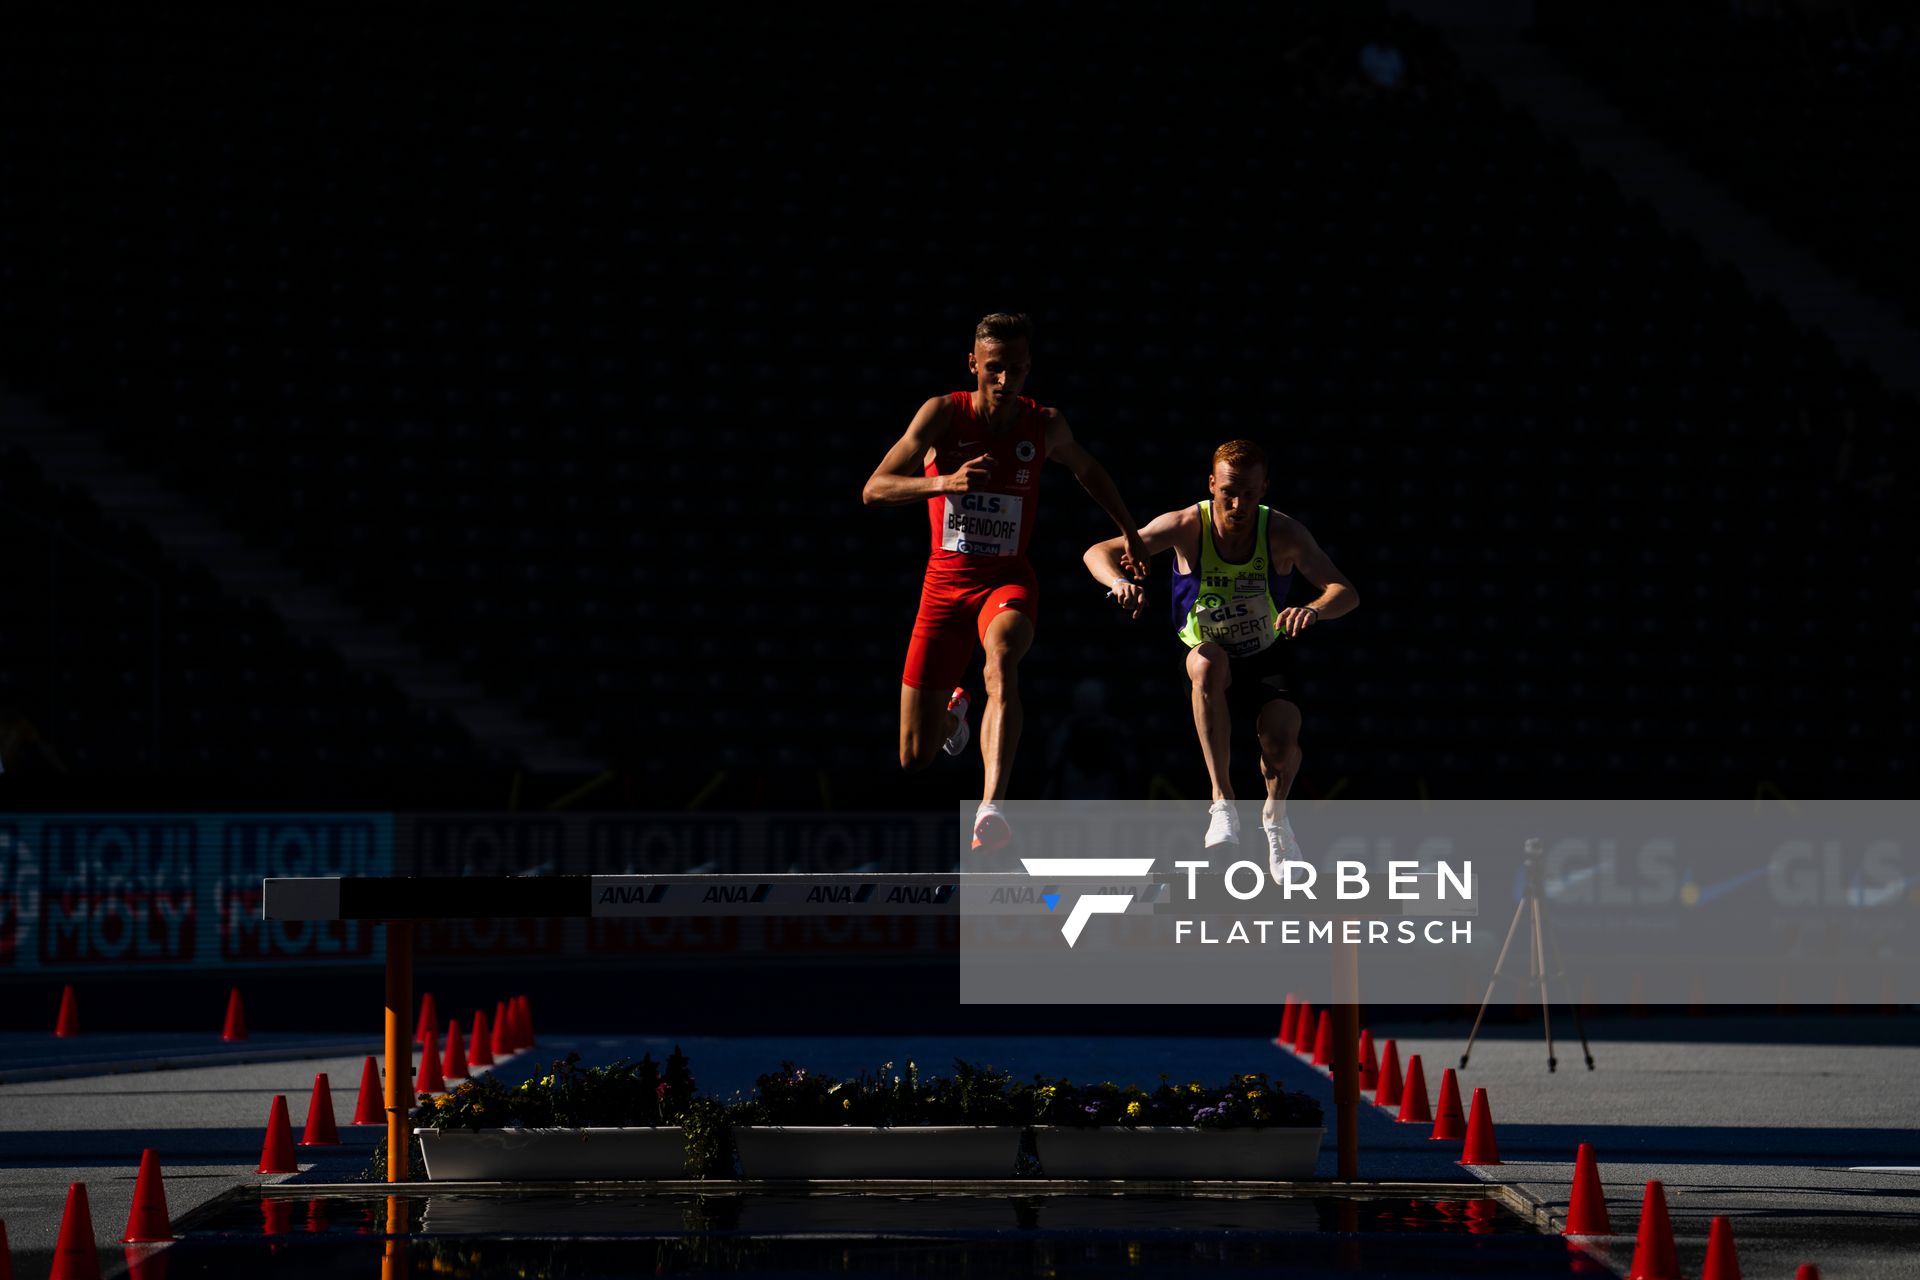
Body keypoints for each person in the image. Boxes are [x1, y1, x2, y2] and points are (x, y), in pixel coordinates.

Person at [863, 312, 1146, 849]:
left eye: (1016, 369)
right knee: (914, 756)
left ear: (1028, 368)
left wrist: (1128, 530)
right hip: (942, 591)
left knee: (1002, 658)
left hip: (1006, 581)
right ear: (973, 363)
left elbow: (1088, 469)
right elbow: (874, 489)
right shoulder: (943, 414)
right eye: (994, 368)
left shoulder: (1043, 425)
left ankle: (991, 807)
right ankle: (957, 715)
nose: (1004, 379)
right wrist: (945, 482)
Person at [1083, 439, 1358, 875]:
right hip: (1204, 652)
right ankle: (1222, 802)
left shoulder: (1283, 532)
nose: (1238, 503)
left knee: (1282, 749)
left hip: (1265, 655)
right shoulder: (1186, 525)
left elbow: (1345, 592)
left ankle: (1276, 820)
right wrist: (1118, 582)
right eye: (1229, 491)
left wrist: (1313, 609)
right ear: (1212, 485)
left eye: (1249, 493)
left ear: (1264, 488)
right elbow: (1097, 552)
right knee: (1209, 663)